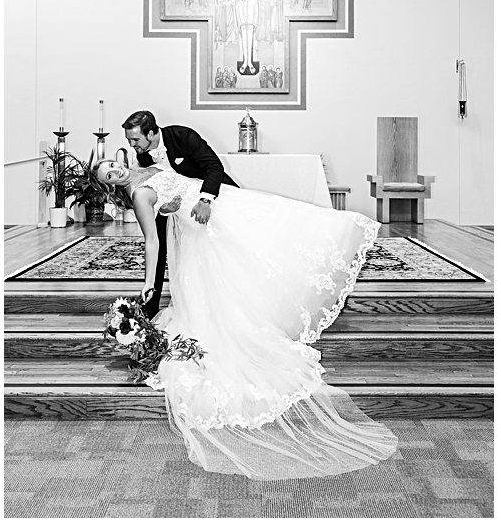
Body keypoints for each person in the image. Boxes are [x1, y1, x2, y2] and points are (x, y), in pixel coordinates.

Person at [93, 157, 396, 480]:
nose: (117, 169)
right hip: (202, 231)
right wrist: (149, 283)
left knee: (267, 238)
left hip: (218, 209)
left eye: (112, 163)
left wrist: (173, 204)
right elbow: (152, 242)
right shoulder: (139, 195)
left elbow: (173, 193)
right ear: (110, 185)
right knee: (234, 276)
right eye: (110, 174)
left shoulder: (146, 169)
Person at [122, 110, 237, 318]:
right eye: (129, 140)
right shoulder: (143, 154)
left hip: (206, 195)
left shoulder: (183, 136)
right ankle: (150, 304)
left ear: (150, 133)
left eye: (135, 139)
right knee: (157, 244)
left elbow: (213, 166)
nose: (132, 145)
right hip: (172, 206)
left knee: (223, 245)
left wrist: (205, 200)